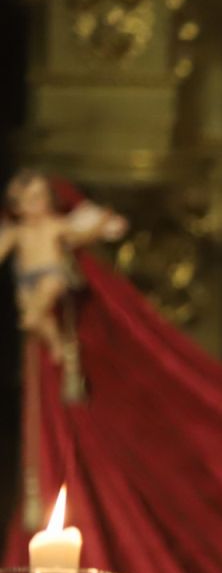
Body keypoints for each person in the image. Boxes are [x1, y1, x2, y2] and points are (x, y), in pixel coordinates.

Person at [1, 170, 126, 400]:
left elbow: (80, 236)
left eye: (42, 196)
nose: (39, 203)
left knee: (35, 310)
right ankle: (56, 343)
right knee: (38, 319)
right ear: (17, 207)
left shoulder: (55, 225)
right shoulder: (17, 232)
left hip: (52, 274)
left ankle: (49, 333)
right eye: (31, 199)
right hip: (26, 281)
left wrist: (100, 224)